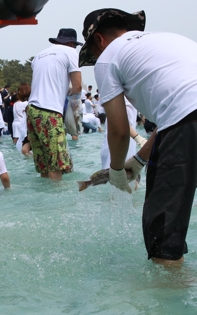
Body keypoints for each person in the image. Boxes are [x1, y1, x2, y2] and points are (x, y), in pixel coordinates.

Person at [79, 8, 197, 264]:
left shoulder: (108, 58)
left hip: (187, 122)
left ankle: (168, 295)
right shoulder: (169, 40)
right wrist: (140, 161)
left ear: (98, 40)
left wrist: (117, 170)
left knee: (163, 241)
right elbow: (176, 114)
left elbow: (119, 131)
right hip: (186, 119)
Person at [27, 28, 83, 181]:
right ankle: (59, 203)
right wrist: (67, 94)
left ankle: (45, 202)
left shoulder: (39, 56)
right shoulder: (71, 52)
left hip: (31, 110)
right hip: (49, 111)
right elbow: (77, 86)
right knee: (56, 164)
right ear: (72, 43)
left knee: (44, 164)